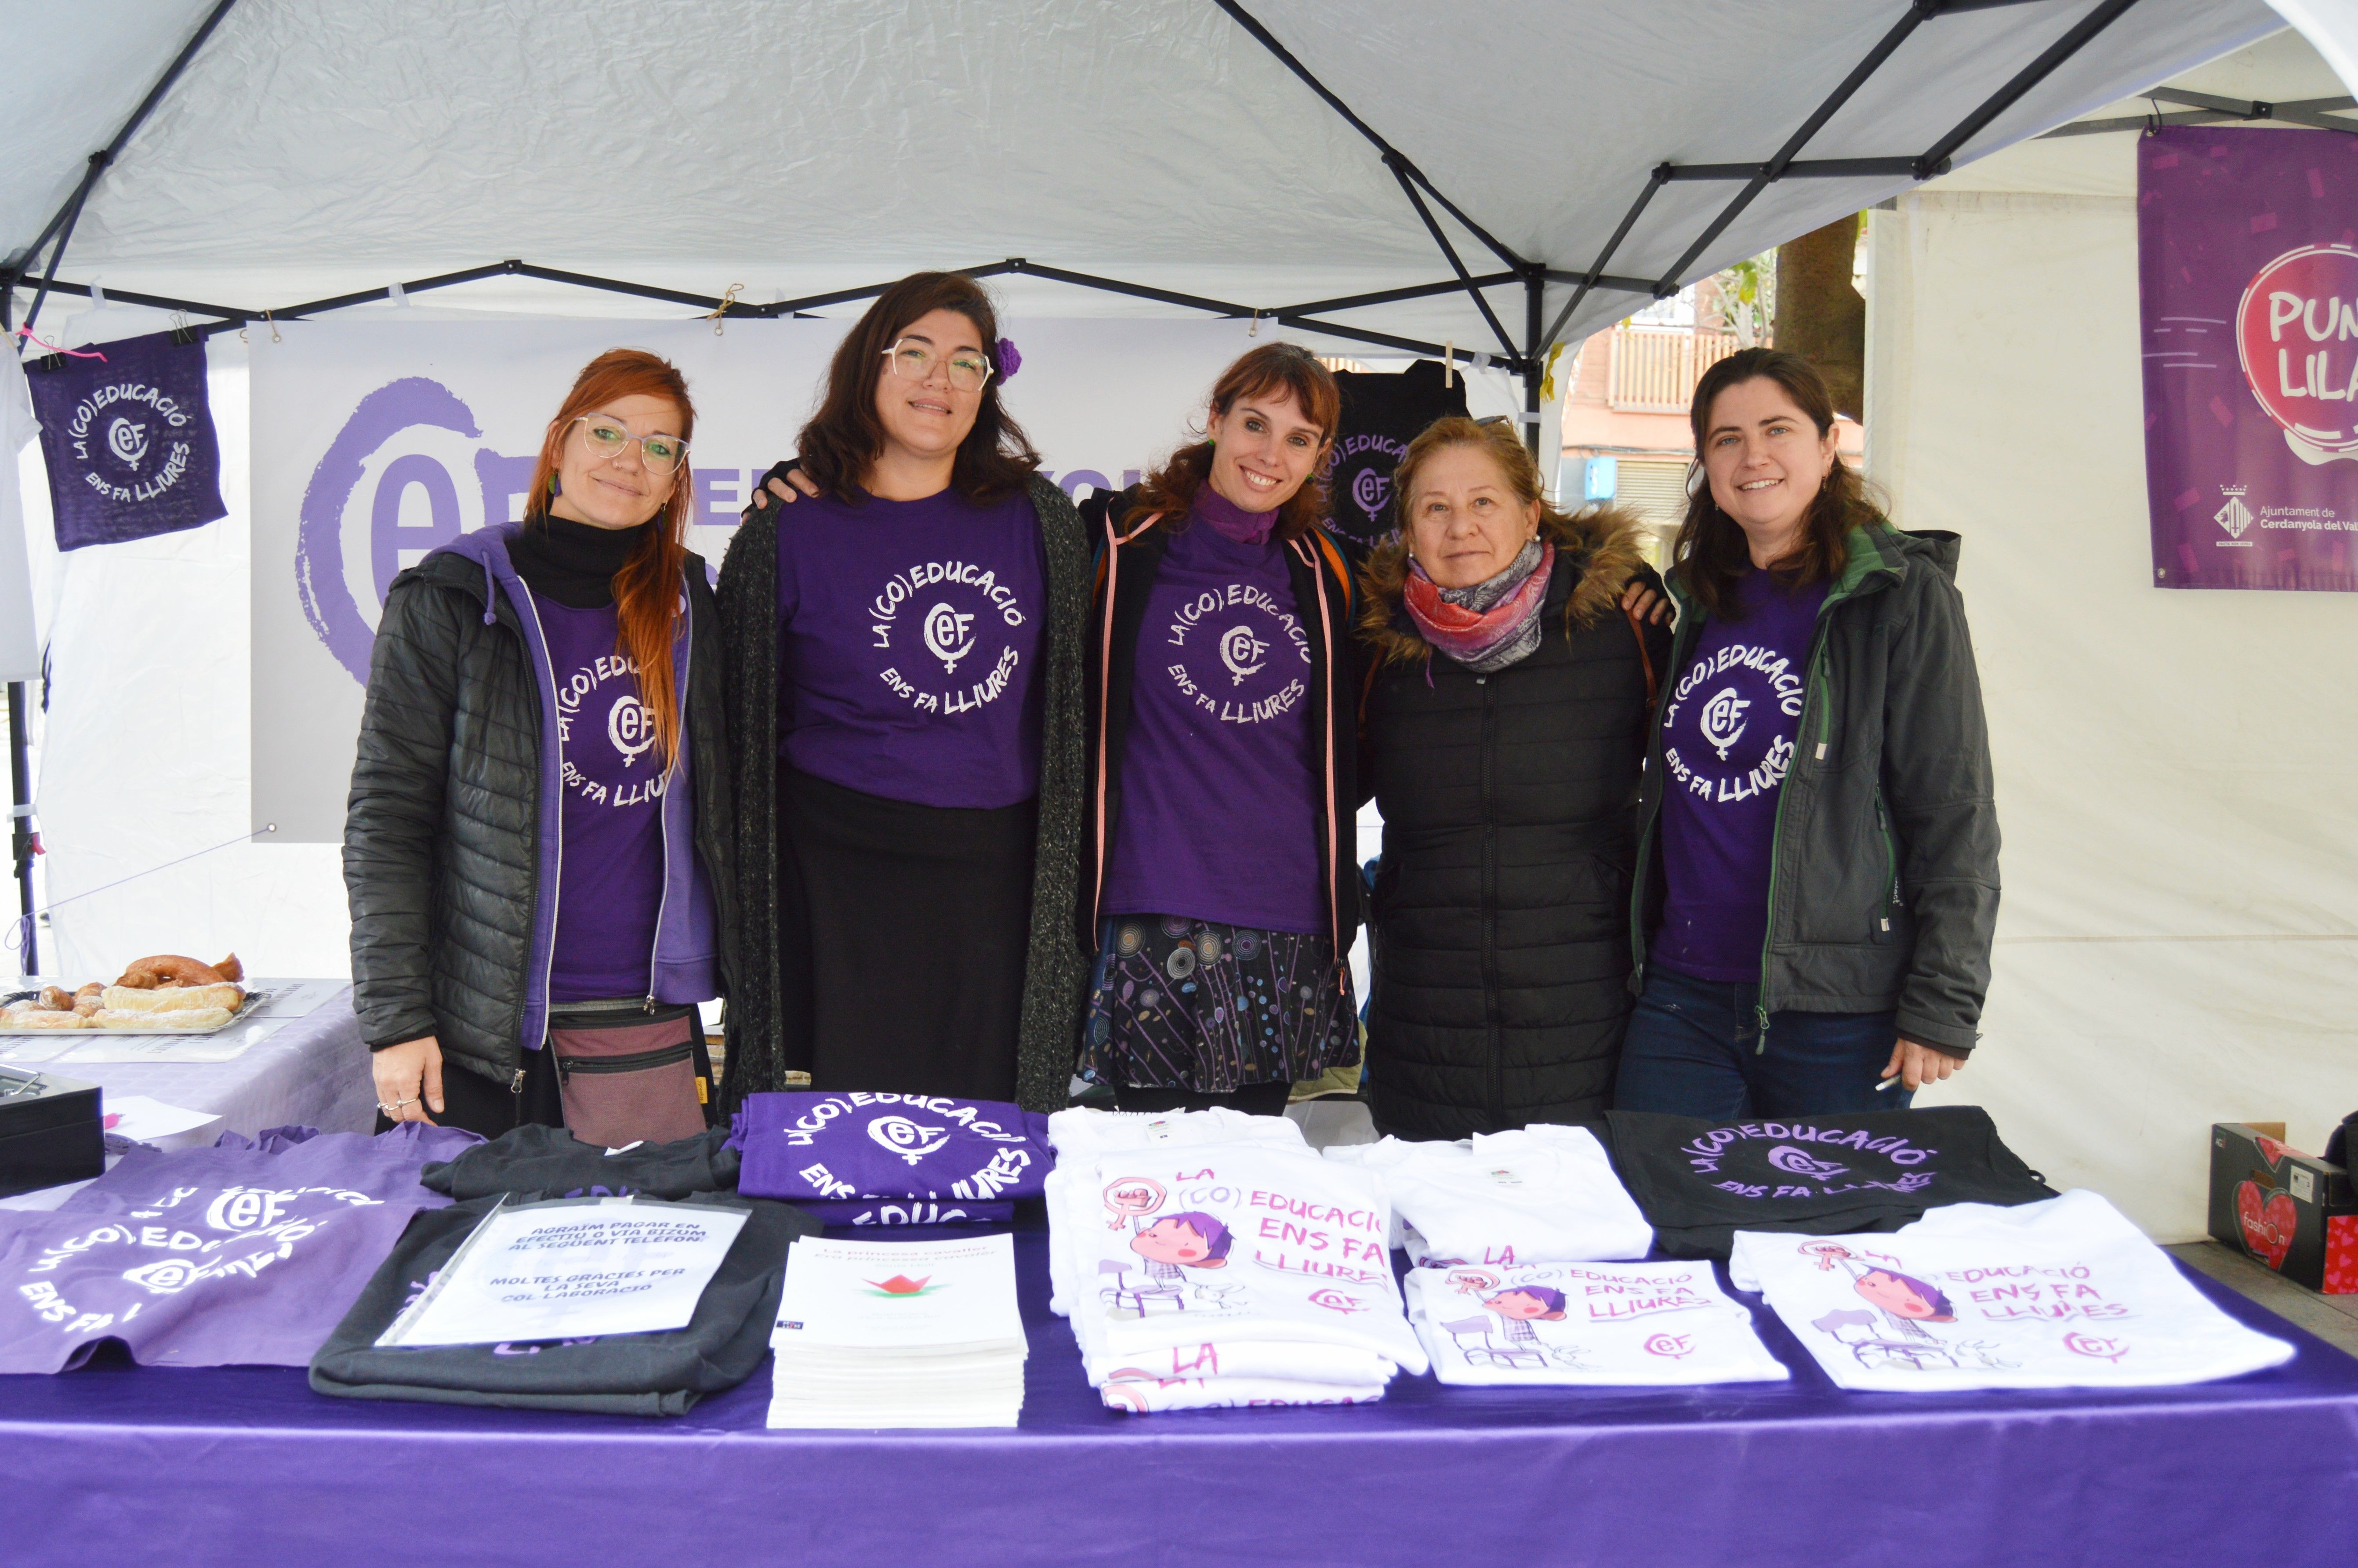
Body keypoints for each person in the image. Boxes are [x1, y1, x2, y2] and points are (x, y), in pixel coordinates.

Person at [718, 272, 1090, 1113]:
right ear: (868, 370)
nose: (939, 380)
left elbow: (1074, 704)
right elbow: (736, 727)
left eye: (966, 363)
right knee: (838, 1145)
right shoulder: (787, 526)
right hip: (831, 883)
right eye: (914, 353)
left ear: (987, 388)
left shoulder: (1038, 520)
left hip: (994, 886)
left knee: (986, 1146)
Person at [346, 349, 734, 1142]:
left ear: (675, 480)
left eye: (661, 448)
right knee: (457, 1256)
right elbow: (386, 821)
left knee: (644, 1258)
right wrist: (395, 1024)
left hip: (645, 1020)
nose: (631, 460)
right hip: (480, 1033)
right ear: (559, 443)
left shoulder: (696, 603)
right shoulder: (454, 596)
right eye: (609, 432)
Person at [1615, 347, 1999, 1118]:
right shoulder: (1697, 601)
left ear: (1827, 447)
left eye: (1777, 430)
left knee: (1820, 1236)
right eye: (1726, 439)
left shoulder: (1897, 596)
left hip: (1838, 1013)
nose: (1752, 456)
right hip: (1682, 992)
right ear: (1704, 465)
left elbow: (1952, 807)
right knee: (1670, 1218)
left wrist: (1942, 1005)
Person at [1357, 416, 1670, 1140]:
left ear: (1531, 512)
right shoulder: (1375, 645)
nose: (1459, 527)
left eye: (1483, 502)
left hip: (1583, 1021)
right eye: (1434, 507)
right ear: (1407, 527)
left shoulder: (1623, 623)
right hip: (1427, 1031)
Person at [1075, 343, 1361, 1118]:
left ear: (1319, 457)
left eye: (1298, 439)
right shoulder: (1119, 538)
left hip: (1285, 910)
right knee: (1149, 1165)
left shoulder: (1325, 569)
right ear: (1216, 421)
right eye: (1255, 424)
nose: (1270, 455)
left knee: (1253, 1172)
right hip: (1151, 893)